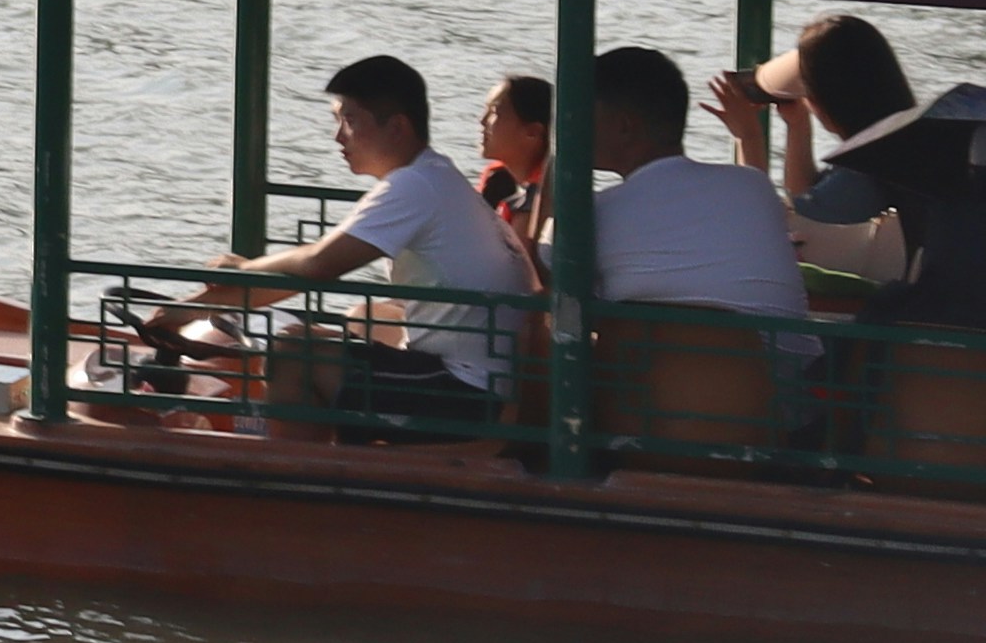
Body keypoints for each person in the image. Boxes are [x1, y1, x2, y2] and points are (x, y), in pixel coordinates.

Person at [168, 54, 524, 427]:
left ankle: (282, 458)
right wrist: (197, 305)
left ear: (397, 127)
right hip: (482, 378)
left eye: (350, 121)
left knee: (294, 352)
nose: (338, 136)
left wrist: (238, 274)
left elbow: (319, 264)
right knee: (344, 325)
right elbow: (310, 267)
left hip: (465, 391)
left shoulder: (415, 185)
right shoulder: (434, 176)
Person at [728, 13, 986, 321]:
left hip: (943, 315)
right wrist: (798, 126)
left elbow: (784, 218)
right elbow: (811, 199)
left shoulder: (885, 157)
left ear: (825, 100)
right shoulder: (929, 138)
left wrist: (748, 135)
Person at [559, 42, 811, 317]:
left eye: (582, 116)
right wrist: (749, 135)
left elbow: (546, 275)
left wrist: (557, 155)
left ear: (624, 127)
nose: (573, 127)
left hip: (649, 346)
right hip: (778, 346)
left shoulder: (596, 214)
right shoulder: (754, 186)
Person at [477, 71, 559, 261]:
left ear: (533, 132)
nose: (482, 121)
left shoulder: (537, 203)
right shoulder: (499, 182)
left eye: (494, 112)